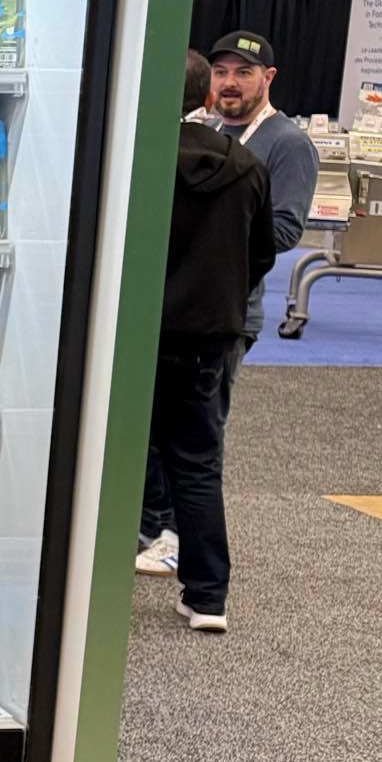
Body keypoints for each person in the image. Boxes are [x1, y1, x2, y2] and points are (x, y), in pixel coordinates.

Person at [138, 27, 316, 576]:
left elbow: (282, 232)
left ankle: (176, 538)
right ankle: (154, 526)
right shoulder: (203, 132)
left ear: (268, 78)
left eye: (243, 72)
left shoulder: (286, 144)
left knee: (198, 435)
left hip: (229, 312)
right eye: (221, 72)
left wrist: (218, 245)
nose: (230, 83)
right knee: (153, 434)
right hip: (172, 307)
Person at [147, 49, 276, 634]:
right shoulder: (247, 165)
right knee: (197, 466)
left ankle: (80, 584)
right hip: (209, 339)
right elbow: (261, 253)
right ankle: (207, 598)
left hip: (136, 335)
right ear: (204, 97)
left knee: (100, 456)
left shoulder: (136, 162)